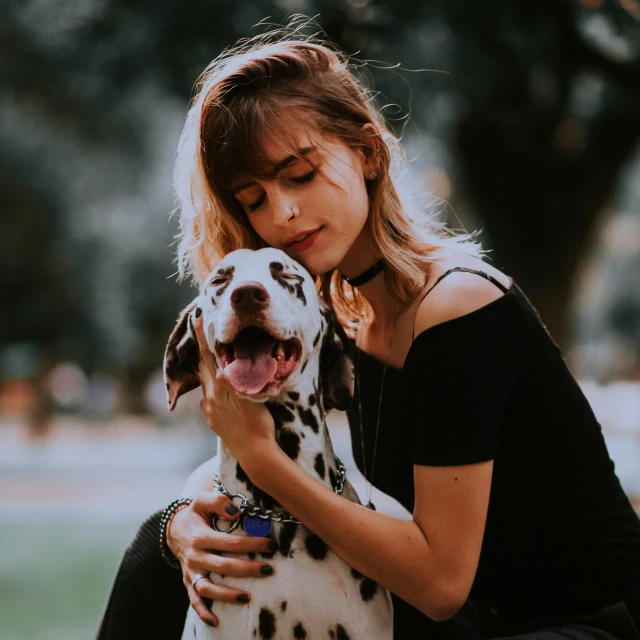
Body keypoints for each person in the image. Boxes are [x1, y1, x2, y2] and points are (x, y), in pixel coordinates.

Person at [96, 23, 640, 640]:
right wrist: (181, 526)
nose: (282, 213)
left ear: (368, 153)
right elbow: (296, 481)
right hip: (460, 620)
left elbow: (439, 584)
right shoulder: (333, 313)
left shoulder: (459, 306)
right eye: (254, 199)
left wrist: (263, 461)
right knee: (156, 548)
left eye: (299, 175)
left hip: (576, 625)